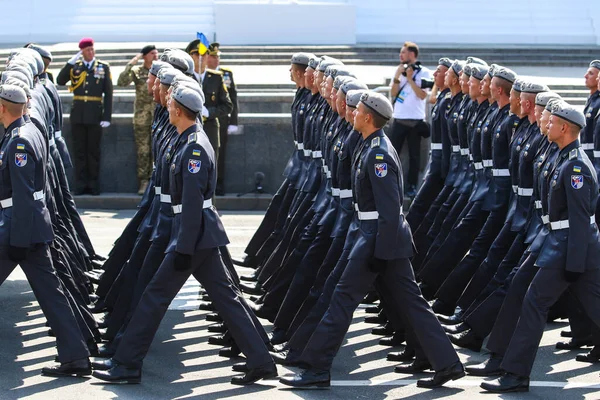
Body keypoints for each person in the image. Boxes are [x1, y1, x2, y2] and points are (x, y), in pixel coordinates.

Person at [91, 85, 276, 386]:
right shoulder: (187, 140)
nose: (166, 106)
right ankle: (261, 361)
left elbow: (191, 203)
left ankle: (126, 364)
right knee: (226, 298)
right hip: (198, 235)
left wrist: (183, 248)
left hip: (195, 235)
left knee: (154, 296)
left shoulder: (194, 148)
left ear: (179, 110)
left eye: (170, 104)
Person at [279, 91, 464, 389]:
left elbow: (390, 210)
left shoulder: (378, 153)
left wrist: (380, 251)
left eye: (356, 111)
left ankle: (316, 368)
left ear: (367, 117)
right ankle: (448, 364)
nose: (351, 114)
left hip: (378, 238)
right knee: (412, 304)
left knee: (342, 299)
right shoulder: (369, 146)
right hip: (376, 238)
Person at [481, 101, 600, 393]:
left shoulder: (575, 167)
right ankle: (509, 367)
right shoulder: (562, 157)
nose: (545, 125)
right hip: (560, 243)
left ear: (564, 128)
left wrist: (573, 264)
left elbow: (580, 221)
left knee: (534, 302)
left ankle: (515, 373)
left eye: (551, 123)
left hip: (571, 246)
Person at [0, 84, 92, 377]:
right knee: (52, 295)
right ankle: (77, 355)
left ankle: (77, 355)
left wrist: (18, 240)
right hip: (31, 227)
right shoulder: (28, 131)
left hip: (18, 228)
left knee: (52, 294)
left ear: (3, 108)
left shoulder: (19, 142)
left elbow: (25, 196)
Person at [56, 37, 113, 195]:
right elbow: (60, 80)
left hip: (95, 115)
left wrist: (107, 117)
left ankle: (93, 185)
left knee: (93, 151)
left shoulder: (103, 67)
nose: (91, 52)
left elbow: (108, 93)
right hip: (78, 115)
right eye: (87, 50)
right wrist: (69, 63)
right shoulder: (76, 67)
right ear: (81, 52)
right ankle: (80, 185)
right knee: (79, 151)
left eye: (92, 49)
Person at [389, 41, 432, 198]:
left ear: (412, 54)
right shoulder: (399, 70)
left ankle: (411, 186)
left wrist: (411, 79)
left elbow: (422, 95)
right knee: (392, 154)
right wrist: (397, 76)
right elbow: (393, 93)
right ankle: (391, 184)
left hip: (416, 120)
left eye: (403, 52)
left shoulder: (424, 72)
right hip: (399, 119)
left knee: (415, 157)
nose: (400, 55)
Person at [184, 40, 233, 168]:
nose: (201, 57)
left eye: (204, 54)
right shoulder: (184, 78)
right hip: (189, 128)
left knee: (210, 168)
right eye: (196, 54)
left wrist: (209, 112)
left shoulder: (216, 77)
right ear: (190, 56)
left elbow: (227, 105)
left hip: (210, 128)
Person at [117, 44, 159, 195]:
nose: (156, 56)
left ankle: (158, 181)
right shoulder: (137, 71)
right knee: (143, 151)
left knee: (158, 149)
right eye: (152, 54)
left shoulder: (161, 70)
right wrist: (133, 62)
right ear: (145, 56)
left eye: (156, 53)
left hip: (158, 118)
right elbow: (121, 82)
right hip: (142, 118)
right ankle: (144, 181)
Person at [204, 43, 239, 196]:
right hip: (206, 118)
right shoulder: (202, 75)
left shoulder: (226, 74)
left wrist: (234, 121)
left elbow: (233, 99)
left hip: (222, 119)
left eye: (218, 56)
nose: (216, 59)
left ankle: (219, 183)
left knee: (220, 153)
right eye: (213, 56)